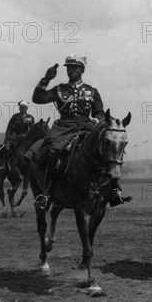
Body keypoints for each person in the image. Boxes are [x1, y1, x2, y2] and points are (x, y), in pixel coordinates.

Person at [28, 54, 132, 208]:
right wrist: (46, 79)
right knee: (53, 153)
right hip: (63, 130)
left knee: (105, 154)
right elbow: (38, 98)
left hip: (86, 129)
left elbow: (100, 113)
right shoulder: (59, 90)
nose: (72, 71)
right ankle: (46, 194)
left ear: (82, 70)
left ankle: (114, 192)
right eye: (69, 67)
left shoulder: (92, 91)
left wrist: (93, 123)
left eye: (76, 68)